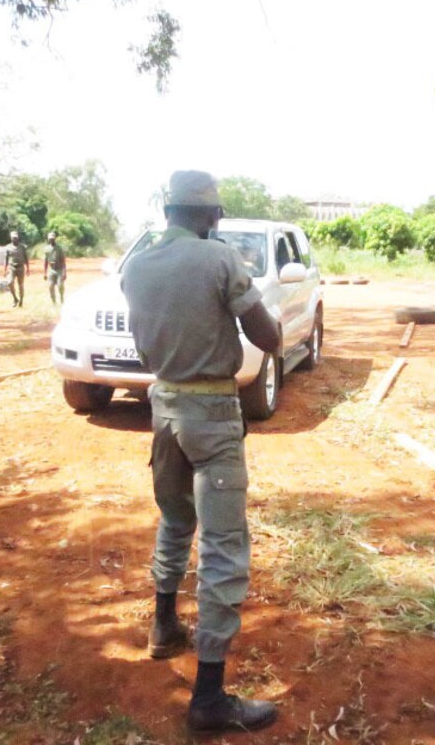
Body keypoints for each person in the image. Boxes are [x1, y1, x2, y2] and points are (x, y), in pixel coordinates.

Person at [121, 170, 281, 733]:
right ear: (210, 217)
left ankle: (164, 626)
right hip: (212, 415)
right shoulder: (220, 261)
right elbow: (269, 339)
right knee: (222, 546)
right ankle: (209, 696)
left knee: (173, 519)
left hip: (161, 408)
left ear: (169, 211)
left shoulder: (135, 265)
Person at [4, 230, 28, 308]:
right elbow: (6, 259)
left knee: (20, 285)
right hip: (12, 268)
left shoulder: (22, 247)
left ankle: (21, 301)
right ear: (11, 238)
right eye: (13, 238)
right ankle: (15, 298)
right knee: (9, 283)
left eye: (16, 238)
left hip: (20, 267)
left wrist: (28, 268)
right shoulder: (8, 247)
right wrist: (5, 269)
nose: (15, 239)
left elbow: (26, 258)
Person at [43, 231, 67, 304]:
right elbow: (45, 261)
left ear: (55, 239)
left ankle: (62, 298)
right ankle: (54, 302)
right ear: (48, 239)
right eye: (50, 239)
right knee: (50, 286)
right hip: (51, 270)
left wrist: (64, 272)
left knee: (60, 285)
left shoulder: (59, 248)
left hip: (59, 270)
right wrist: (45, 273)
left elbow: (63, 261)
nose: (51, 240)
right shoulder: (46, 249)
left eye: (53, 239)